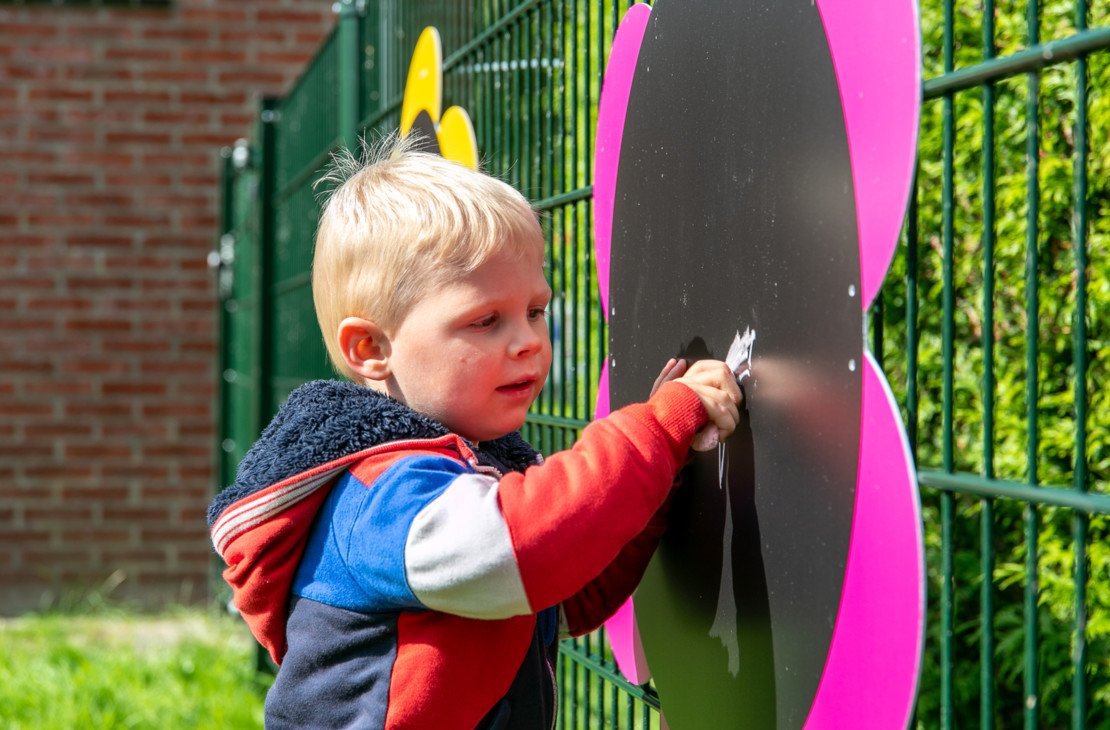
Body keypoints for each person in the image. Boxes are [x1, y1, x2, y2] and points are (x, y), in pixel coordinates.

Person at [207, 134, 743, 730]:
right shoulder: (382, 494)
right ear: (371, 348)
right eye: (486, 320)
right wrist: (655, 429)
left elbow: (568, 592)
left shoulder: (475, 471)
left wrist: (659, 484)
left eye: (535, 311)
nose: (528, 342)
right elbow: (526, 550)